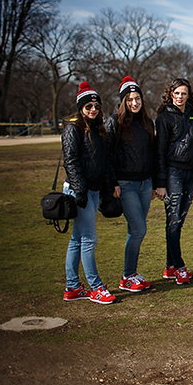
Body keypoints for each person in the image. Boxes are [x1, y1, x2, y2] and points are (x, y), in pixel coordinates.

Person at [62, 82, 117, 304]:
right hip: (80, 190)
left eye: (96, 106)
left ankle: (72, 287)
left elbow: (104, 163)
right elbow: (71, 161)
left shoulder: (99, 130)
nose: (93, 109)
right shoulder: (72, 129)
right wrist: (80, 189)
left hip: (94, 190)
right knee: (88, 239)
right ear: (80, 108)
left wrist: (106, 187)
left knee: (77, 239)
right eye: (88, 106)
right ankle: (96, 286)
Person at [106, 76, 154, 294]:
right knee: (139, 229)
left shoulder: (146, 123)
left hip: (145, 184)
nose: (135, 103)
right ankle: (127, 275)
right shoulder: (114, 122)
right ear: (123, 101)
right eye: (130, 99)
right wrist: (113, 182)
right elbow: (107, 155)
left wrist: (154, 183)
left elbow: (151, 153)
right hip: (125, 184)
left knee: (134, 230)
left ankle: (131, 273)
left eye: (138, 98)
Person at [155, 77, 193, 285]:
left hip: (190, 173)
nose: (180, 97)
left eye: (184, 93)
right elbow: (160, 152)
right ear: (171, 94)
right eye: (177, 93)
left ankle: (170, 266)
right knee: (172, 220)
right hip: (172, 173)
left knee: (179, 220)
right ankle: (179, 266)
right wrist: (161, 182)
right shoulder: (164, 118)